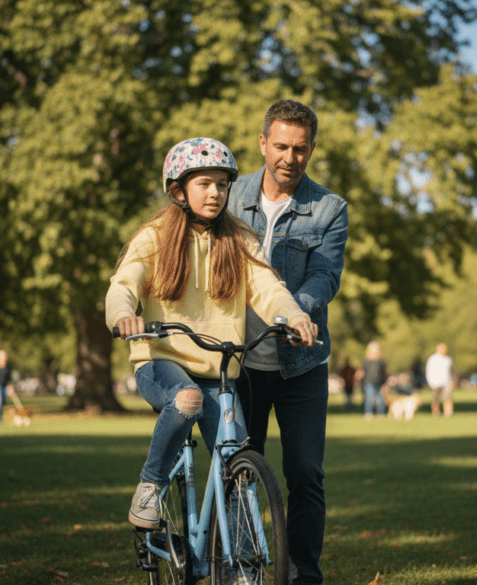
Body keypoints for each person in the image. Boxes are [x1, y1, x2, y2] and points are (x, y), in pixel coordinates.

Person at [104, 138, 317, 538]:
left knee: (237, 464)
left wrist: (294, 316)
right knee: (186, 400)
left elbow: (268, 287)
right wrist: (121, 314)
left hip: (219, 371)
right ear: (178, 189)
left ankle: (240, 565)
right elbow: (124, 283)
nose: (215, 193)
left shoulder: (238, 239)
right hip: (161, 361)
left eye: (222, 184)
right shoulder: (155, 237)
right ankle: (149, 486)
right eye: (204, 183)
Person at [227, 99, 348, 585]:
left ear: (311, 149)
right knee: (235, 468)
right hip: (236, 364)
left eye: (300, 148)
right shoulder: (227, 198)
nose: (289, 157)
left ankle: (304, 578)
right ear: (263, 143)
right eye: (280, 145)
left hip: (301, 364)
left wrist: (296, 310)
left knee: (305, 476)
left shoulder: (330, 208)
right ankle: (239, 569)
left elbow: (325, 274)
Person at [359, 341, 388, 420]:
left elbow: (384, 373)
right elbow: (362, 371)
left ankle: (381, 414)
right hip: (369, 382)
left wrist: (385, 384)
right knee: (369, 399)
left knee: (381, 399)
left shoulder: (381, 361)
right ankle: (368, 414)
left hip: (380, 383)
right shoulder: (366, 361)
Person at [426, 343, 455, 417]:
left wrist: (452, 381)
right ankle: (435, 413)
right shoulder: (432, 359)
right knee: (435, 399)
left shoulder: (448, 359)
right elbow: (428, 371)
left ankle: (448, 413)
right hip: (435, 382)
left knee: (447, 398)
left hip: (446, 381)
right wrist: (430, 381)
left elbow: (451, 371)